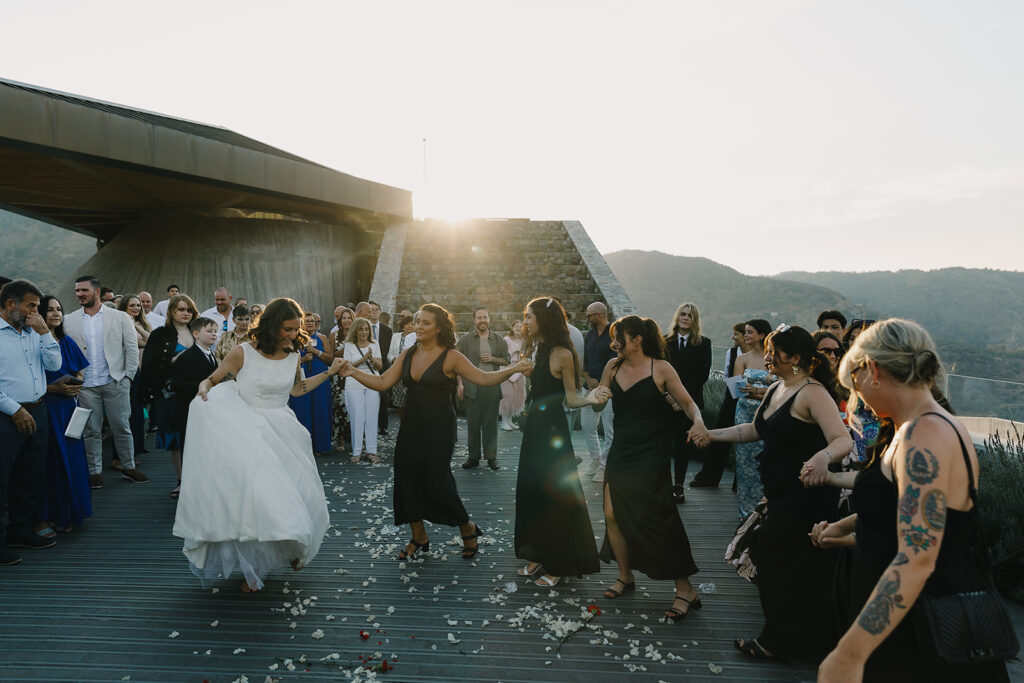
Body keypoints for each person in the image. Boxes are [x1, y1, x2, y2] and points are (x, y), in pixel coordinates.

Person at [816, 319, 1010, 682]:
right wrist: (848, 528)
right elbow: (905, 514)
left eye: (853, 384)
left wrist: (850, 652)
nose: (855, 398)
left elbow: (917, 558)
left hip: (915, 638)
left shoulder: (924, 436)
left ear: (871, 370)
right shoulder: (931, 427)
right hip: (912, 625)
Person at [704, 324, 852, 662]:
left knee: (781, 564)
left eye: (774, 351)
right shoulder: (778, 389)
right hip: (780, 494)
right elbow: (753, 429)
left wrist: (821, 457)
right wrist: (709, 435)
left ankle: (779, 641)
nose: (767, 356)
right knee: (782, 566)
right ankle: (795, 640)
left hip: (806, 498)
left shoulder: (813, 393)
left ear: (796, 358)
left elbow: (842, 440)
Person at [338, 303, 530, 562]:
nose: (418, 326)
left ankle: (467, 527)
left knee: (437, 481)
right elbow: (383, 382)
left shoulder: (451, 356)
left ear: (439, 327)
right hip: (411, 426)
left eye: (425, 323)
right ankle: (419, 536)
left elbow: (482, 378)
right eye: (417, 322)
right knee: (405, 478)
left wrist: (514, 369)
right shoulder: (408, 353)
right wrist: (353, 372)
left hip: (440, 427)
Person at [173, 298, 336, 593]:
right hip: (246, 428)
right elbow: (213, 379)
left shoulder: (292, 354)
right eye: (287, 328)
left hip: (284, 429)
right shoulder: (241, 352)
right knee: (259, 498)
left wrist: (329, 373)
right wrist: (204, 389)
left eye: (295, 329)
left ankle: (293, 543)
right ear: (273, 325)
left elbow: (297, 391)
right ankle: (255, 570)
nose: (291, 334)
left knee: (298, 491)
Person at [595, 315, 708, 619]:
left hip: (652, 453)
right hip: (621, 450)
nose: (614, 343)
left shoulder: (661, 368)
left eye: (619, 337)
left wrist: (698, 420)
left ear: (637, 340)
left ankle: (685, 588)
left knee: (658, 517)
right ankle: (625, 575)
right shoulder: (612, 366)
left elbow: (688, 403)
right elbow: (598, 403)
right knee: (611, 513)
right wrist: (597, 397)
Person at [514, 297, 606, 587]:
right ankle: (539, 552)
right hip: (534, 429)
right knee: (533, 491)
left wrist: (591, 398)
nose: (525, 321)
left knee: (554, 495)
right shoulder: (537, 349)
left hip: (553, 430)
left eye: (529, 317)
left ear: (544, 319)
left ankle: (558, 562)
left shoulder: (562, 353)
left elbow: (571, 398)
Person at [0, 280, 63, 564]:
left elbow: (54, 365)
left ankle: (19, 530)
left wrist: (45, 333)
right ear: (11, 304)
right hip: (6, 414)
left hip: (38, 410)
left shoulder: (34, 332)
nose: (36, 312)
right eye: (31, 306)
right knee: (2, 477)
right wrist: (14, 409)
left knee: (31, 474)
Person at [63, 276, 147, 487]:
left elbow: (131, 348)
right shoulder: (69, 320)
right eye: (77, 291)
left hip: (115, 380)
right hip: (85, 385)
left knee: (122, 426)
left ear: (97, 291)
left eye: (84, 290)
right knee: (91, 430)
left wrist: (127, 377)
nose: (79, 294)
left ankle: (129, 466)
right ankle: (94, 472)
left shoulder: (119, 317)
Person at [36, 295, 92, 536]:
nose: (56, 314)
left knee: (73, 459)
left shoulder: (66, 341)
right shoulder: (33, 342)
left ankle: (72, 512)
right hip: (46, 407)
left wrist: (76, 383)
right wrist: (53, 388)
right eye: (50, 310)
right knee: (51, 462)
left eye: (59, 309)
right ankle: (51, 515)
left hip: (69, 408)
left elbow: (79, 372)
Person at [140, 294, 200, 497]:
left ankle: (199, 479)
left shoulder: (198, 332)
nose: (185, 313)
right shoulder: (160, 335)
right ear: (172, 311)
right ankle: (182, 480)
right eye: (181, 309)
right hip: (169, 394)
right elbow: (149, 364)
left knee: (197, 436)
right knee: (175, 438)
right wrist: (176, 360)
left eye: (189, 310)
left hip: (196, 393)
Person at [664, 302, 712, 504]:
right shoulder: (664, 341)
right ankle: (663, 485)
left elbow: (702, 375)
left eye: (689, 316)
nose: (685, 317)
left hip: (690, 403)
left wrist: (681, 399)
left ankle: (678, 486)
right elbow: (657, 370)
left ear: (694, 320)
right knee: (664, 444)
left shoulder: (704, 343)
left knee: (683, 446)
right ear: (677, 317)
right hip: (666, 403)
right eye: (682, 314)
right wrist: (669, 396)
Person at [692, 322, 749, 489]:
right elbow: (727, 376)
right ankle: (709, 477)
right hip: (730, 399)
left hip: (750, 403)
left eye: (736, 334)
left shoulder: (759, 355)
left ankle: (739, 483)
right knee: (721, 437)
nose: (733, 337)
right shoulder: (730, 353)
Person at [730, 318, 773, 518]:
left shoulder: (774, 358)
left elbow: (783, 389)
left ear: (762, 335)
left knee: (766, 461)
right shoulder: (741, 359)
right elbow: (735, 390)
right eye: (745, 332)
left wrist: (755, 392)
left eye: (750, 332)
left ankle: (767, 509)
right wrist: (759, 392)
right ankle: (746, 512)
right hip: (744, 414)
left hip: (769, 414)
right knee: (745, 464)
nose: (745, 335)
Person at [456, 308, 510, 470]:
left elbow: (506, 361)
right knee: (473, 425)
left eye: (485, 317)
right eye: (479, 317)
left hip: (492, 387)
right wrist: (460, 383)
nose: (482, 320)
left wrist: (493, 358)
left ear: (489, 319)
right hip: (472, 388)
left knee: (491, 425)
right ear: (474, 320)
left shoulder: (499, 340)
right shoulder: (465, 340)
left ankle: (491, 457)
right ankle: (473, 457)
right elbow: (456, 364)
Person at [169, 317, 219, 463]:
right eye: (209, 331)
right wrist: (205, 386)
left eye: (215, 331)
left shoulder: (211, 355)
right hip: (189, 410)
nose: (214, 334)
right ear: (196, 334)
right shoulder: (187, 357)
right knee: (192, 447)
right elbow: (178, 384)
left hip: (206, 410)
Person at [580, 302, 616, 481]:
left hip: (609, 389)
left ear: (600, 314)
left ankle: (604, 465)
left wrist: (603, 383)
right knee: (587, 425)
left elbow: (616, 361)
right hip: (590, 388)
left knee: (610, 429)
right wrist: (586, 378)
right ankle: (596, 458)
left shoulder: (614, 334)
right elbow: (585, 360)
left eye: (590, 315)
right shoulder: (590, 335)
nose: (587, 318)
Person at [289, 312, 334, 455]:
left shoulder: (322, 338)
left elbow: (330, 359)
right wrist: (303, 360)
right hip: (301, 377)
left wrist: (315, 352)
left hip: (319, 378)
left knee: (319, 409)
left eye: (312, 321)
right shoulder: (296, 339)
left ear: (317, 323)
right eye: (306, 321)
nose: (309, 323)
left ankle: (320, 446)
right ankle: (303, 447)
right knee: (303, 411)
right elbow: (289, 358)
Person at [341, 317, 382, 463]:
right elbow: (347, 367)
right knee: (357, 417)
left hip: (372, 381)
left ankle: (371, 451)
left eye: (366, 329)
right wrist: (364, 358)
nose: (364, 332)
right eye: (361, 329)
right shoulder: (349, 345)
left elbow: (380, 367)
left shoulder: (374, 344)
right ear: (355, 331)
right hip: (354, 383)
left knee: (371, 416)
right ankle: (356, 451)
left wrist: (371, 359)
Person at [117, 294, 151, 458]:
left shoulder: (142, 324)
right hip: (123, 371)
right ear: (124, 307)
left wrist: (135, 326)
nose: (137, 308)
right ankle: (124, 454)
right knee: (127, 411)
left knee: (138, 410)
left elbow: (149, 341)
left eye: (138, 305)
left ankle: (137, 448)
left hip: (140, 371)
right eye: (132, 305)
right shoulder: (118, 323)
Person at [328, 307, 354, 450]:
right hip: (339, 375)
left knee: (353, 406)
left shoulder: (358, 334)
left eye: (349, 317)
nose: (346, 320)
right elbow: (331, 356)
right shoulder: (334, 335)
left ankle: (356, 438)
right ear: (339, 320)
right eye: (343, 318)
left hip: (354, 374)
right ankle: (340, 439)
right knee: (339, 406)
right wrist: (345, 348)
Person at [368, 301, 393, 436]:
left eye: (376, 309)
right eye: (371, 309)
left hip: (383, 367)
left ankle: (383, 426)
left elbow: (388, 349)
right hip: (366, 366)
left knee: (383, 397)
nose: (374, 312)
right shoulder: (363, 328)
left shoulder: (387, 330)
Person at [499, 319, 527, 431]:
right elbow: (504, 354)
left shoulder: (524, 340)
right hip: (508, 368)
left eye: (521, 326)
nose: (519, 328)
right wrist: (515, 350)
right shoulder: (507, 340)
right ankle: (504, 422)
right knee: (507, 396)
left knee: (516, 396)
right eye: (516, 326)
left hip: (519, 369)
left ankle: (510, 421)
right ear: (512, 328)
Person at [387, 314, 415, 417]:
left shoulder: (417, 337)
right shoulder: (395, 337)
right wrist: (395, 360)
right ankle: (402, 423)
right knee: (399, 402)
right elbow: (389, 354)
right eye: (407, 324)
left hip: (412, 373)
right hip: (398, 373)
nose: (410, 326)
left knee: (411, 400)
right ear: (403, 325)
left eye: (413, 324)